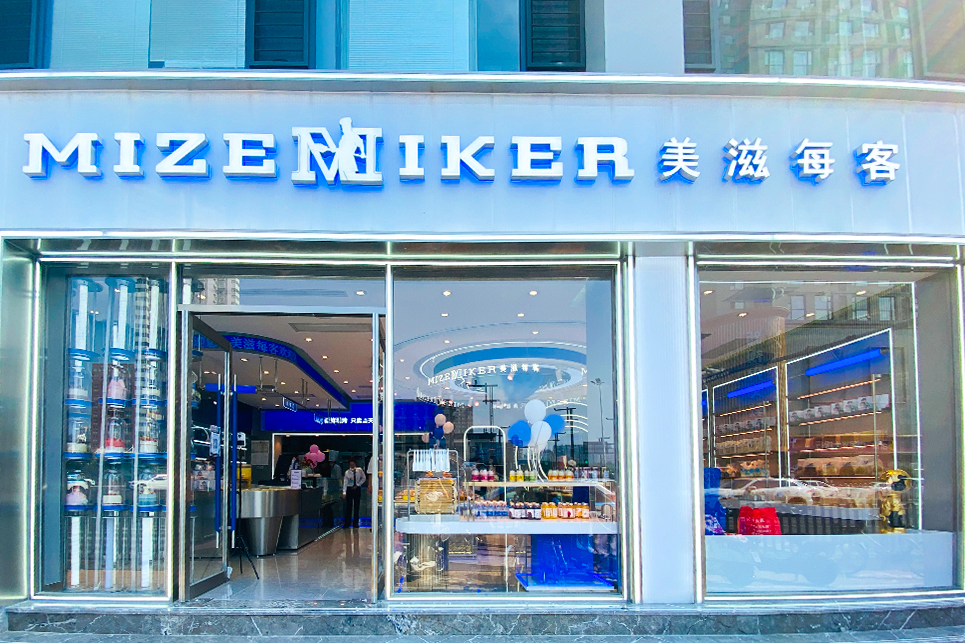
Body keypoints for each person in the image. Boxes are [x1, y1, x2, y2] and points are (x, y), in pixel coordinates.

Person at [342, 458, 366, 528]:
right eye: (351, 464)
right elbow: (345, 482)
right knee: (348, 506)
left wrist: (358, 484)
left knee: (356, 506)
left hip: (357, 488)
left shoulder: (359, 470)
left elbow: (363, 478)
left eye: (353, 464)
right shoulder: (347, 472)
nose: (352, 466)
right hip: (349, 488)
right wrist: (344, 492)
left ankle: (356, 523)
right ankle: (347, 523)